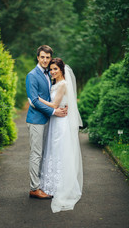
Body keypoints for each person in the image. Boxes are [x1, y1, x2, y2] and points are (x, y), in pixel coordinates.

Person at [39, 58, 83, 213]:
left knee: (59, 151)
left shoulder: (63, 84)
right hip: (54, 121)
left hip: (60, 123)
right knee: (53, 151)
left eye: (55, 69)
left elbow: (54, 105)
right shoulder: (56, 83)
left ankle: (60, 186)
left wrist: (37, 99)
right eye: (51, 69)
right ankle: (51, 184)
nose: (52, 72)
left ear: (62, 70)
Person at [26, 45, 67, 199]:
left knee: (42, 153)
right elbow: (34, 100)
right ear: (38, 57)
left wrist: (64, 104)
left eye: (47, 58)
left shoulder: (48, 74)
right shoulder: (32, 75)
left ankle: (40, 184)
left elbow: (52, 96)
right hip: (36, 120)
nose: (45, 60)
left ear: (50, 59)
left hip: (47, 120)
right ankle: (34, 188)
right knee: (36, 154)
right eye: (42, 57)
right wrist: (54, 111)